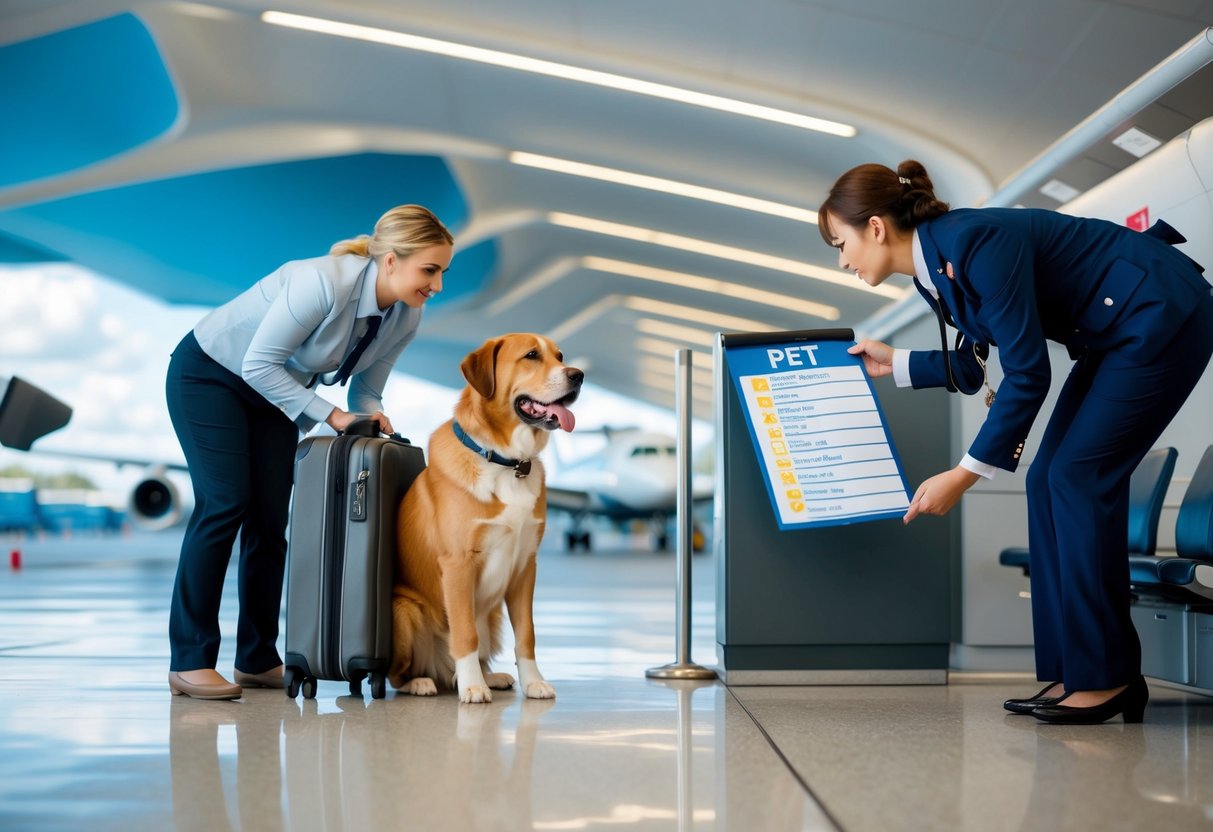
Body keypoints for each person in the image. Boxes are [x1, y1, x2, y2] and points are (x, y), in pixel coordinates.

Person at [822, 160, 1213, 724]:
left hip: (1159, 316)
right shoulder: (935, 266)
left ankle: (1107, 680)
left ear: (875, 228)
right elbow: (978, 362)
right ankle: (1078, 674)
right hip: (1115, 332)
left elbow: (1029, 373)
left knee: (1076, 478)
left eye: (842, 243)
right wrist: (899, 362)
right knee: (1046, 478)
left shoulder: (974, 242)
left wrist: (963, 474)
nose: (843, 260)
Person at [165, 205, 454, 700]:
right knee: (225, 503)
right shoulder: (322, 283)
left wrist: (371, 416)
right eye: (430, 270)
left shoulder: (407, 314)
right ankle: (189, 660)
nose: (437, 284)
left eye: (443, 271)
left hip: (275, 392)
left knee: (270, 520)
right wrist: (333, 416)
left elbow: (366, 391)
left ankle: (256, 658)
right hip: (211, 375)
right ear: (390, 261)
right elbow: (258, 362)